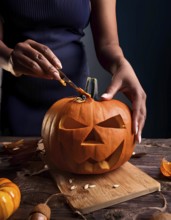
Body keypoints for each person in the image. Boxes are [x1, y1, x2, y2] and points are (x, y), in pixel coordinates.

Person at [0, 0, 146, 143]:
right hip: (19, 104)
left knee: (75, 152)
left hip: (75, 104)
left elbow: (108, 44)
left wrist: (120, 63)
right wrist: (9, 59)